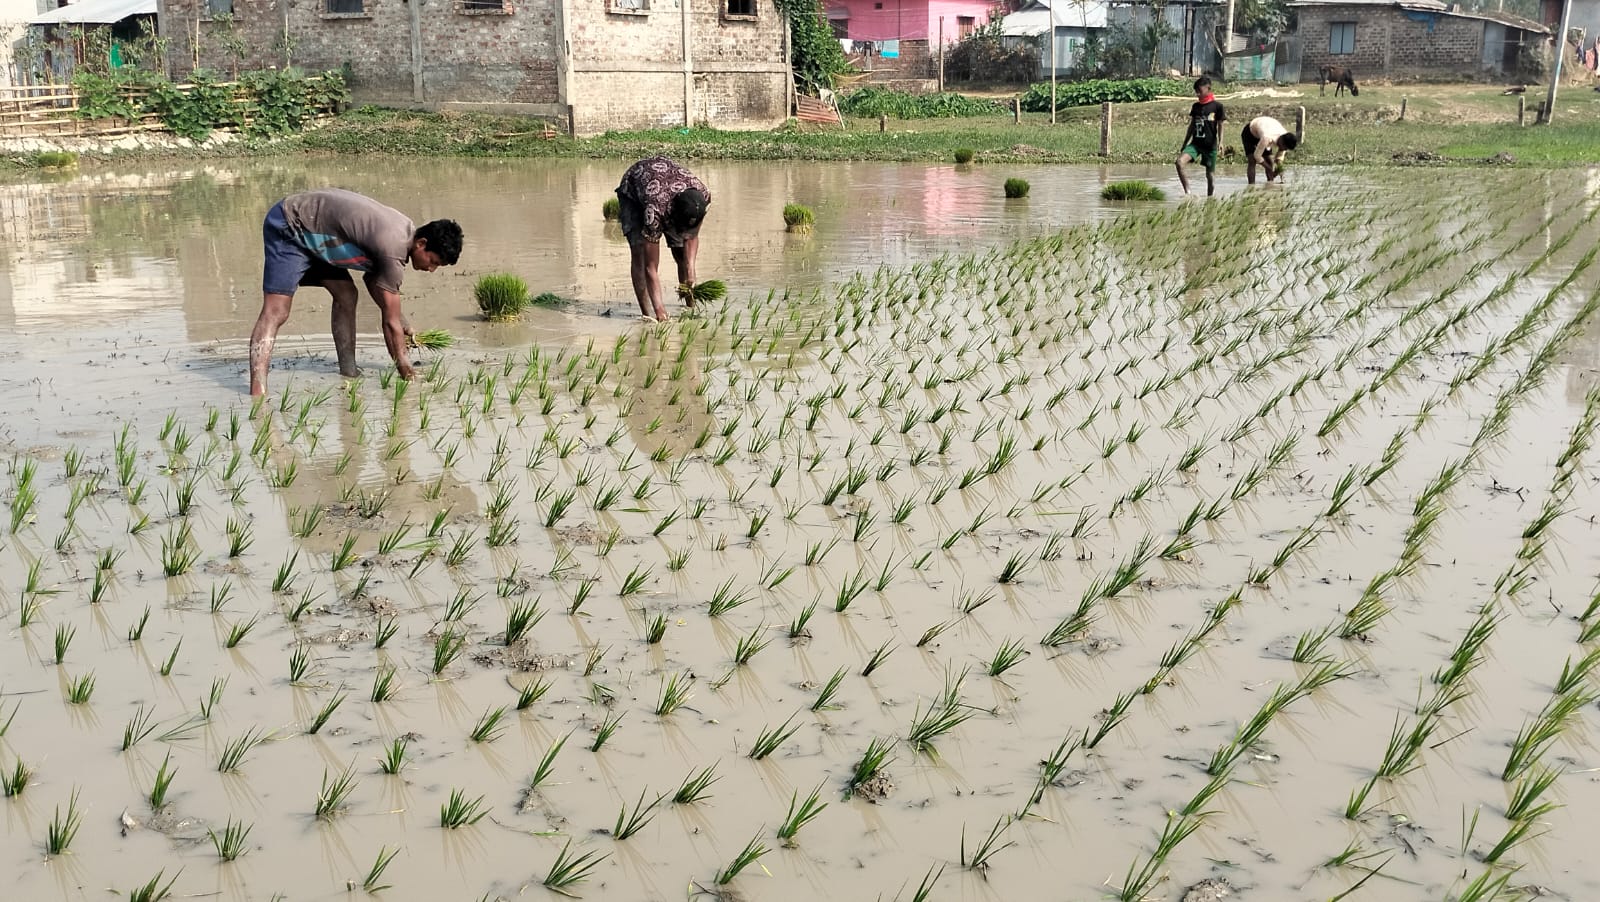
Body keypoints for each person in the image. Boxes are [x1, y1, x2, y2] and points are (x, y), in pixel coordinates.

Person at [248, 188, 462, 397]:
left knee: (347, 294)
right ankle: (258, 392)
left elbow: (374, 280)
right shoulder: (393, 250)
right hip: (291, 224)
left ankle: (348, 372)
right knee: (277, 310)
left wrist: (402, 323)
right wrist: (407, 372)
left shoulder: (404, 233)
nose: (431, 269)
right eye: (433, 261)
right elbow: (389, 323)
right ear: (421, 243)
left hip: (317, 233)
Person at [616, 156, 710, 322]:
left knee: (681, 254)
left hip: (669, 192)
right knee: (640, 255)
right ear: (673, 214)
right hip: (634, 191)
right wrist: (661, 311)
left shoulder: (703, 196)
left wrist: (691, 272)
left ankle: (689, 304)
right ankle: (648, 314)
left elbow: (692, 235)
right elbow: (650, 268)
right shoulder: (655, 212)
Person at [1176, 77, 1226, 197]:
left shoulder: (1217, 106)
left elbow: (1220, 125)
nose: (1197, 94)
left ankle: (1210, 199)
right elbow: (1192, 125)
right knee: (1179, 162)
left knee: (1210, 177)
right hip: (1196, 144)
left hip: (1210, 146)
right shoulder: (1196, 107)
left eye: (1200, 91)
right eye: (1196, 91)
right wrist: (1185, 143)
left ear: (1208, 88)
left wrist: (1221, 142)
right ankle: (1188, 193)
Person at [1242, 116, 1299, 185]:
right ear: (1281, 141)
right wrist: (1268, 168)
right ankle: (1251, 186)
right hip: (1250, 132)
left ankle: (1270, 183)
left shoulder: (1286, 137)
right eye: (1284, 148)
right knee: (1252, 160)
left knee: (1270, 161)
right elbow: (1257, 156)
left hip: (1264, 130)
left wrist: (1280, 169)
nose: (1284, 150)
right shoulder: (1267, 138)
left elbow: (1279, 158)